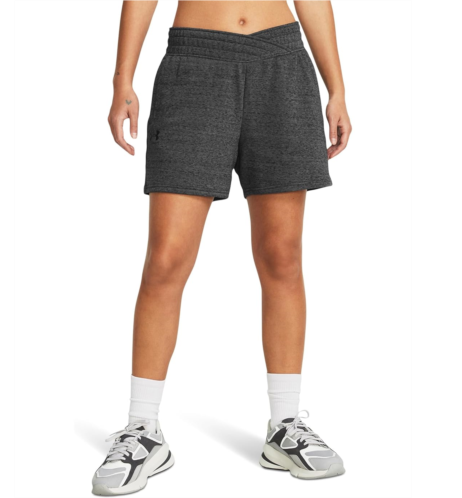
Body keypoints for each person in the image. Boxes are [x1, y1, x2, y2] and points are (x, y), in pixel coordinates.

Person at [93, 0, 352, 495]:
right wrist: (122, 77)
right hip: (194, 65)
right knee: (166, 258)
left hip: (281, 61)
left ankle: (285, 425)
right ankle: (143, 429)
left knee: (282, 256)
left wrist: (336, 86)